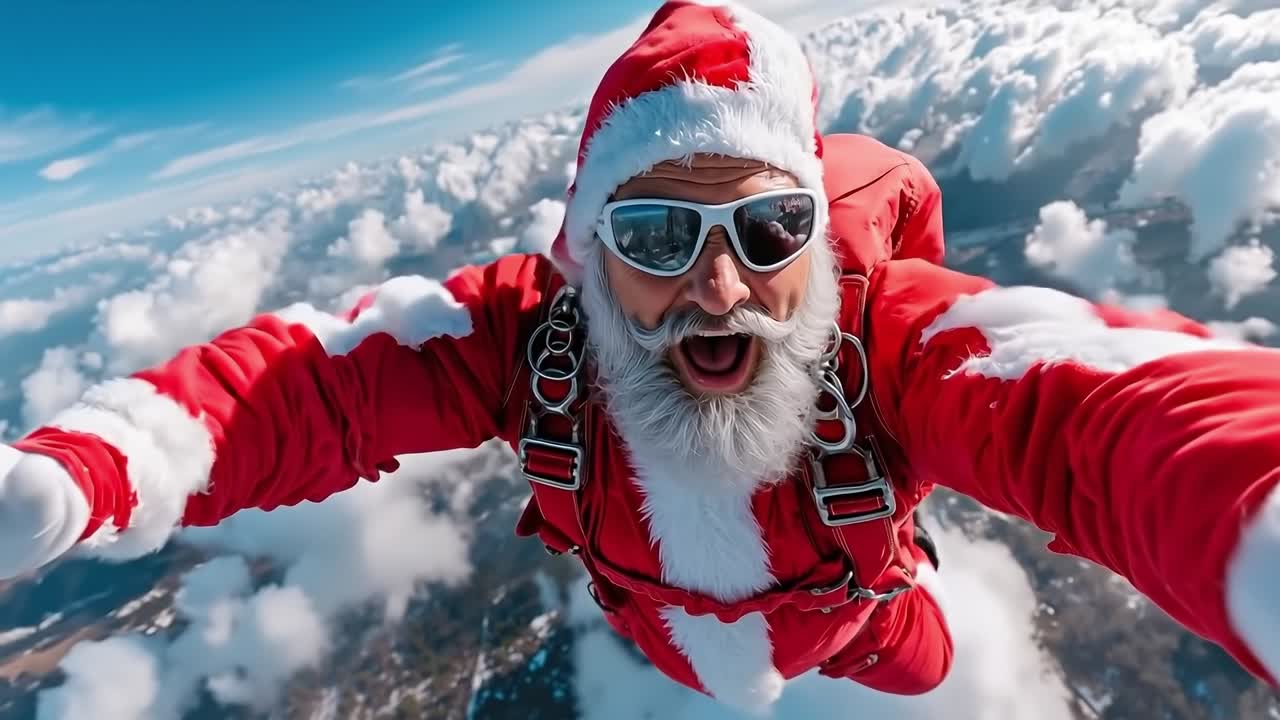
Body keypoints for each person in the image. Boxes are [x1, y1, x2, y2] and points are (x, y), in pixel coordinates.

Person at [1, 0, 1277, 708]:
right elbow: (319, 379)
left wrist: (1253, 524)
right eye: (658, 235)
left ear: (814, 241)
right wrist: (93, 468)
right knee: (697, 660)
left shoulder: (888, 335)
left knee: (923, 663)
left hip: (853, 622)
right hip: (657, 621)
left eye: (768, 231)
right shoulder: (526, 338)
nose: (717, 288)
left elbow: (1092, 405)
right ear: (587, 254)